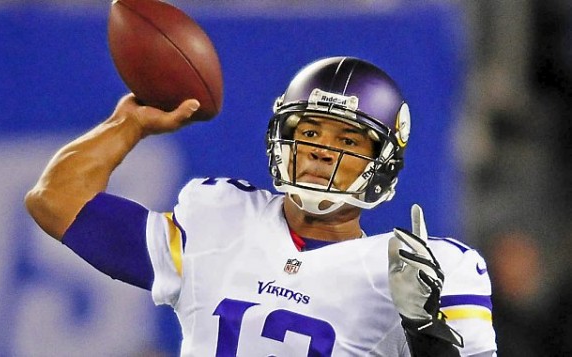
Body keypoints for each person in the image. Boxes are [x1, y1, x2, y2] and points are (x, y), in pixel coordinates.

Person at [25, 56, 497, 356]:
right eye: (308, 132)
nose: (320, 150)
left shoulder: (430, 270)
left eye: (347, 140)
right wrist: (128, 124)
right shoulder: (220, 218)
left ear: (383, 162)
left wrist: (424, 330)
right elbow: (57, 200)